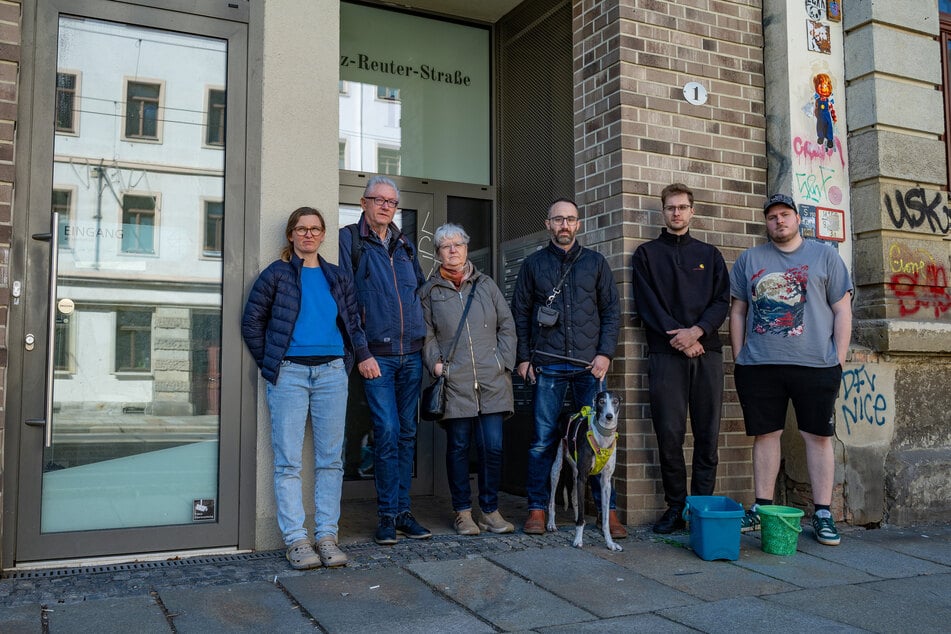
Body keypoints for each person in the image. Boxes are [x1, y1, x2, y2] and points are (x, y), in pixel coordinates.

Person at [241, 206, 369, 570]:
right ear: (291, 235)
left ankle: (327, 536)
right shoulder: (276, 275)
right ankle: (297, 540)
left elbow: (353, 323)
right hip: (290, 375)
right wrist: (273, 363)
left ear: (323, 234)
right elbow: (252, 322)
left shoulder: (336, 276)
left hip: (331, 373)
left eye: (315, 229)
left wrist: (355, 358)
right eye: (301, 229)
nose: (308, 234)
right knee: (288, 461)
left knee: (331, 460)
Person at [729, 193, 852, 546]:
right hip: (760, 365)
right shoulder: (749, 259)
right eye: (772, 217)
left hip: (815, 364)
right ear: (766, 223)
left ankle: (824, 513)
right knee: (766, 435)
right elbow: (737, 311)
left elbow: (843, 310)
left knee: (818, 437)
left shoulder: (825, 256)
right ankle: (762, 507)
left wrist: (838, 358)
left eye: (785, 215)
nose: (779, 221)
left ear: (798, 219)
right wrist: (740, 357)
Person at [511, 197, 624, 538]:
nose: (564, 225)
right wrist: (524, 358)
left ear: (578, 224)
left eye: (570, 219)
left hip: (589, 367)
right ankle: (537, 508)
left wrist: (605, 354)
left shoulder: (596, 263)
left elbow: (611, 312)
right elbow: (519, 314)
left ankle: (608, 511)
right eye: (558, 219)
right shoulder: (533, 265)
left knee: (598, 442)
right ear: (548, 224)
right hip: (547, 366)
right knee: (543, 440)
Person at [339, 175, 432, 545]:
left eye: (391, 202)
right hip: (376, 356)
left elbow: (419, 295)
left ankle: (404, 512)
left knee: (407, 433)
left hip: (410, 355)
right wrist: (361, 352)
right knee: (388, 432)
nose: (385, 206)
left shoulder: (405, 245)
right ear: (363, 203)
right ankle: (386, 516)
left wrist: (427, 346)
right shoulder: (350, 240)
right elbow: (346, 302)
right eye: (377, 199)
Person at [632, 183, 730, 534]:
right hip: (666, 354)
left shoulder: (710, 254)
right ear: (663, 212)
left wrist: (698, 332)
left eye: (683, 207)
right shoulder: (646, 255)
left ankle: (700, 507)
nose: (677, 213)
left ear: (692, 211)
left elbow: (722, 301)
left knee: (707, 434)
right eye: (671, 207)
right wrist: (681, 337)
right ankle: (676, 506)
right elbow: (647, 304)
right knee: (669, 434)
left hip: (707, 353)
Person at [420, 223, 517, 535]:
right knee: (459, 447)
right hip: (455, 381)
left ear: (466, 248)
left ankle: (489, 510)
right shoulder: (430, 291)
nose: (452, 250)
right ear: (437, 253)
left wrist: (502, 361)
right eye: (446, 246)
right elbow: (427, 335)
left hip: (492, 380)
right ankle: (463, 512)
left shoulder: (486, 284)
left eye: (458, 244)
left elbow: (507, 325)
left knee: (494, 447)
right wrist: (436, 366)